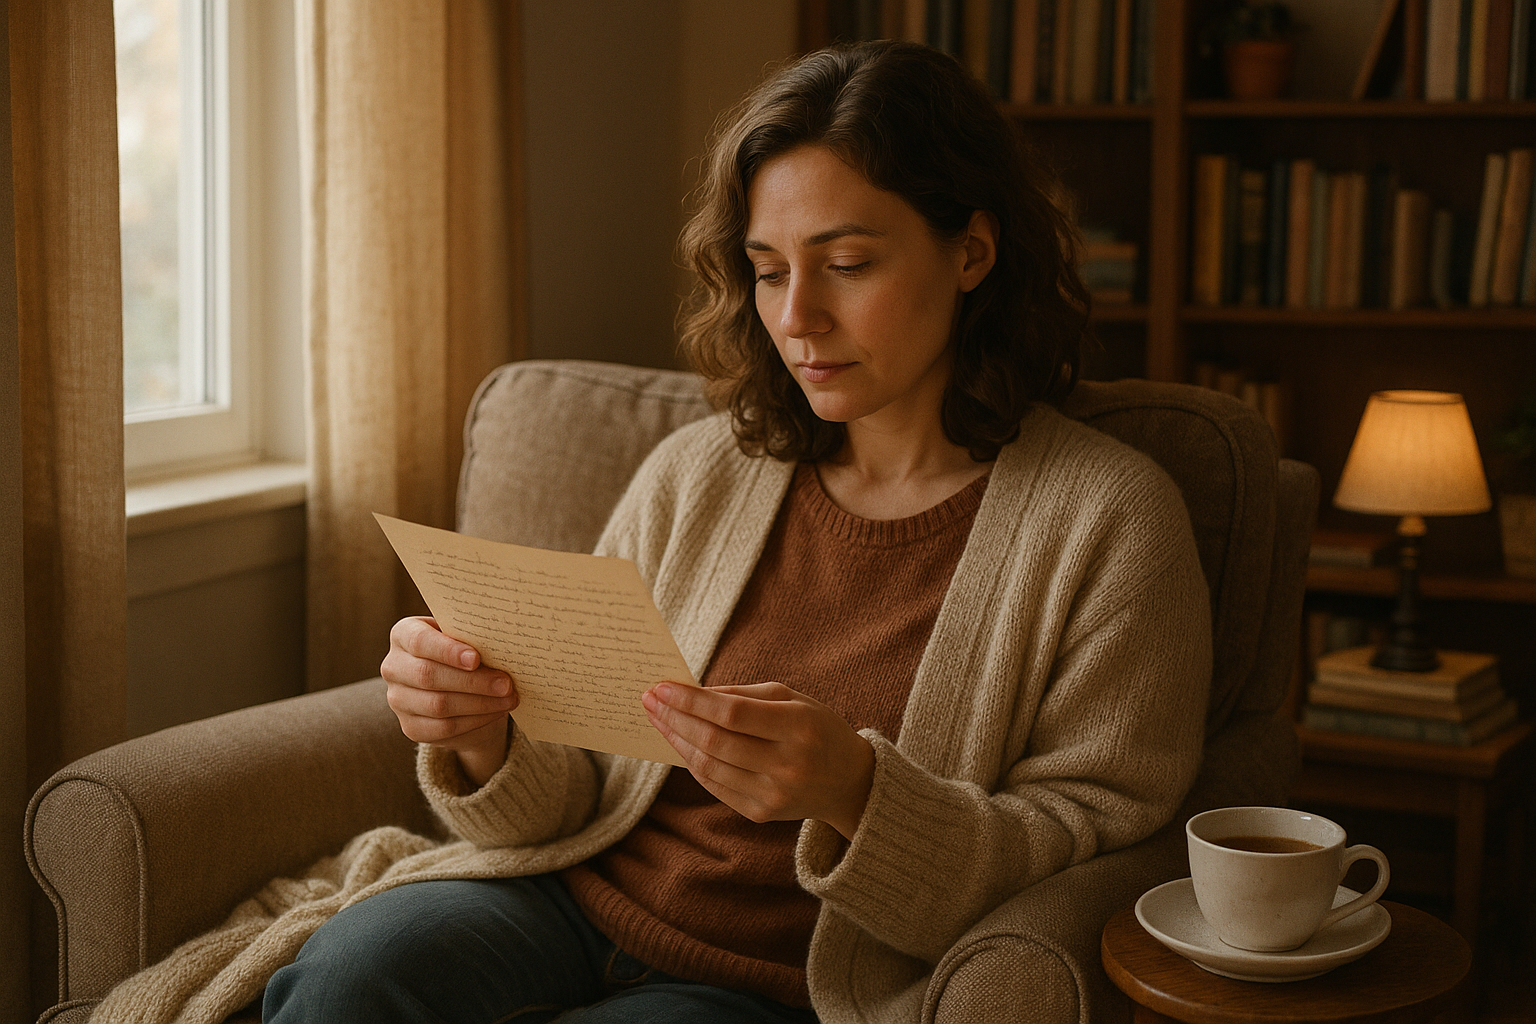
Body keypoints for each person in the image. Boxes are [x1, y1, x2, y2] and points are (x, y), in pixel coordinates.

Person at [264, 39, 1210, 1024]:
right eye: (767, 271)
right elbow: (574, 789)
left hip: (766, 981)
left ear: (972, 249)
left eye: (847, 263)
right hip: (567, 896)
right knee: (339, 979)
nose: (797, 316)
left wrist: (856, 792)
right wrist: (485, 739)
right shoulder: (700, 472)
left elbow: (1091, 836)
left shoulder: (1109, 520)